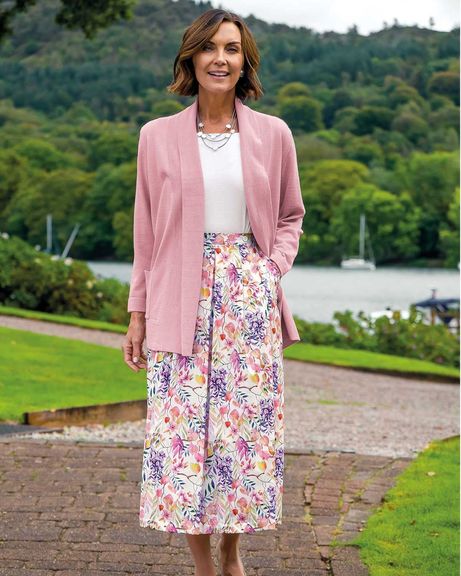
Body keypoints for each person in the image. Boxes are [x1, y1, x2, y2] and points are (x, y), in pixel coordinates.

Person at [122, 8, 305, 576]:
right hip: (178, 293)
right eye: (209, 49)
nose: (220, 59)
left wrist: (268, 269)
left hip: (247, 300)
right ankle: (203, 561)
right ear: (191, 60)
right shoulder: (156, 137)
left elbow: (290, 215)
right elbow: (146, 232)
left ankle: (232, 546)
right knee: (181, 432)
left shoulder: (273, 133)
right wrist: (137, 313)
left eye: (231, 49)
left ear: (244, 60)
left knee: (242, 431)